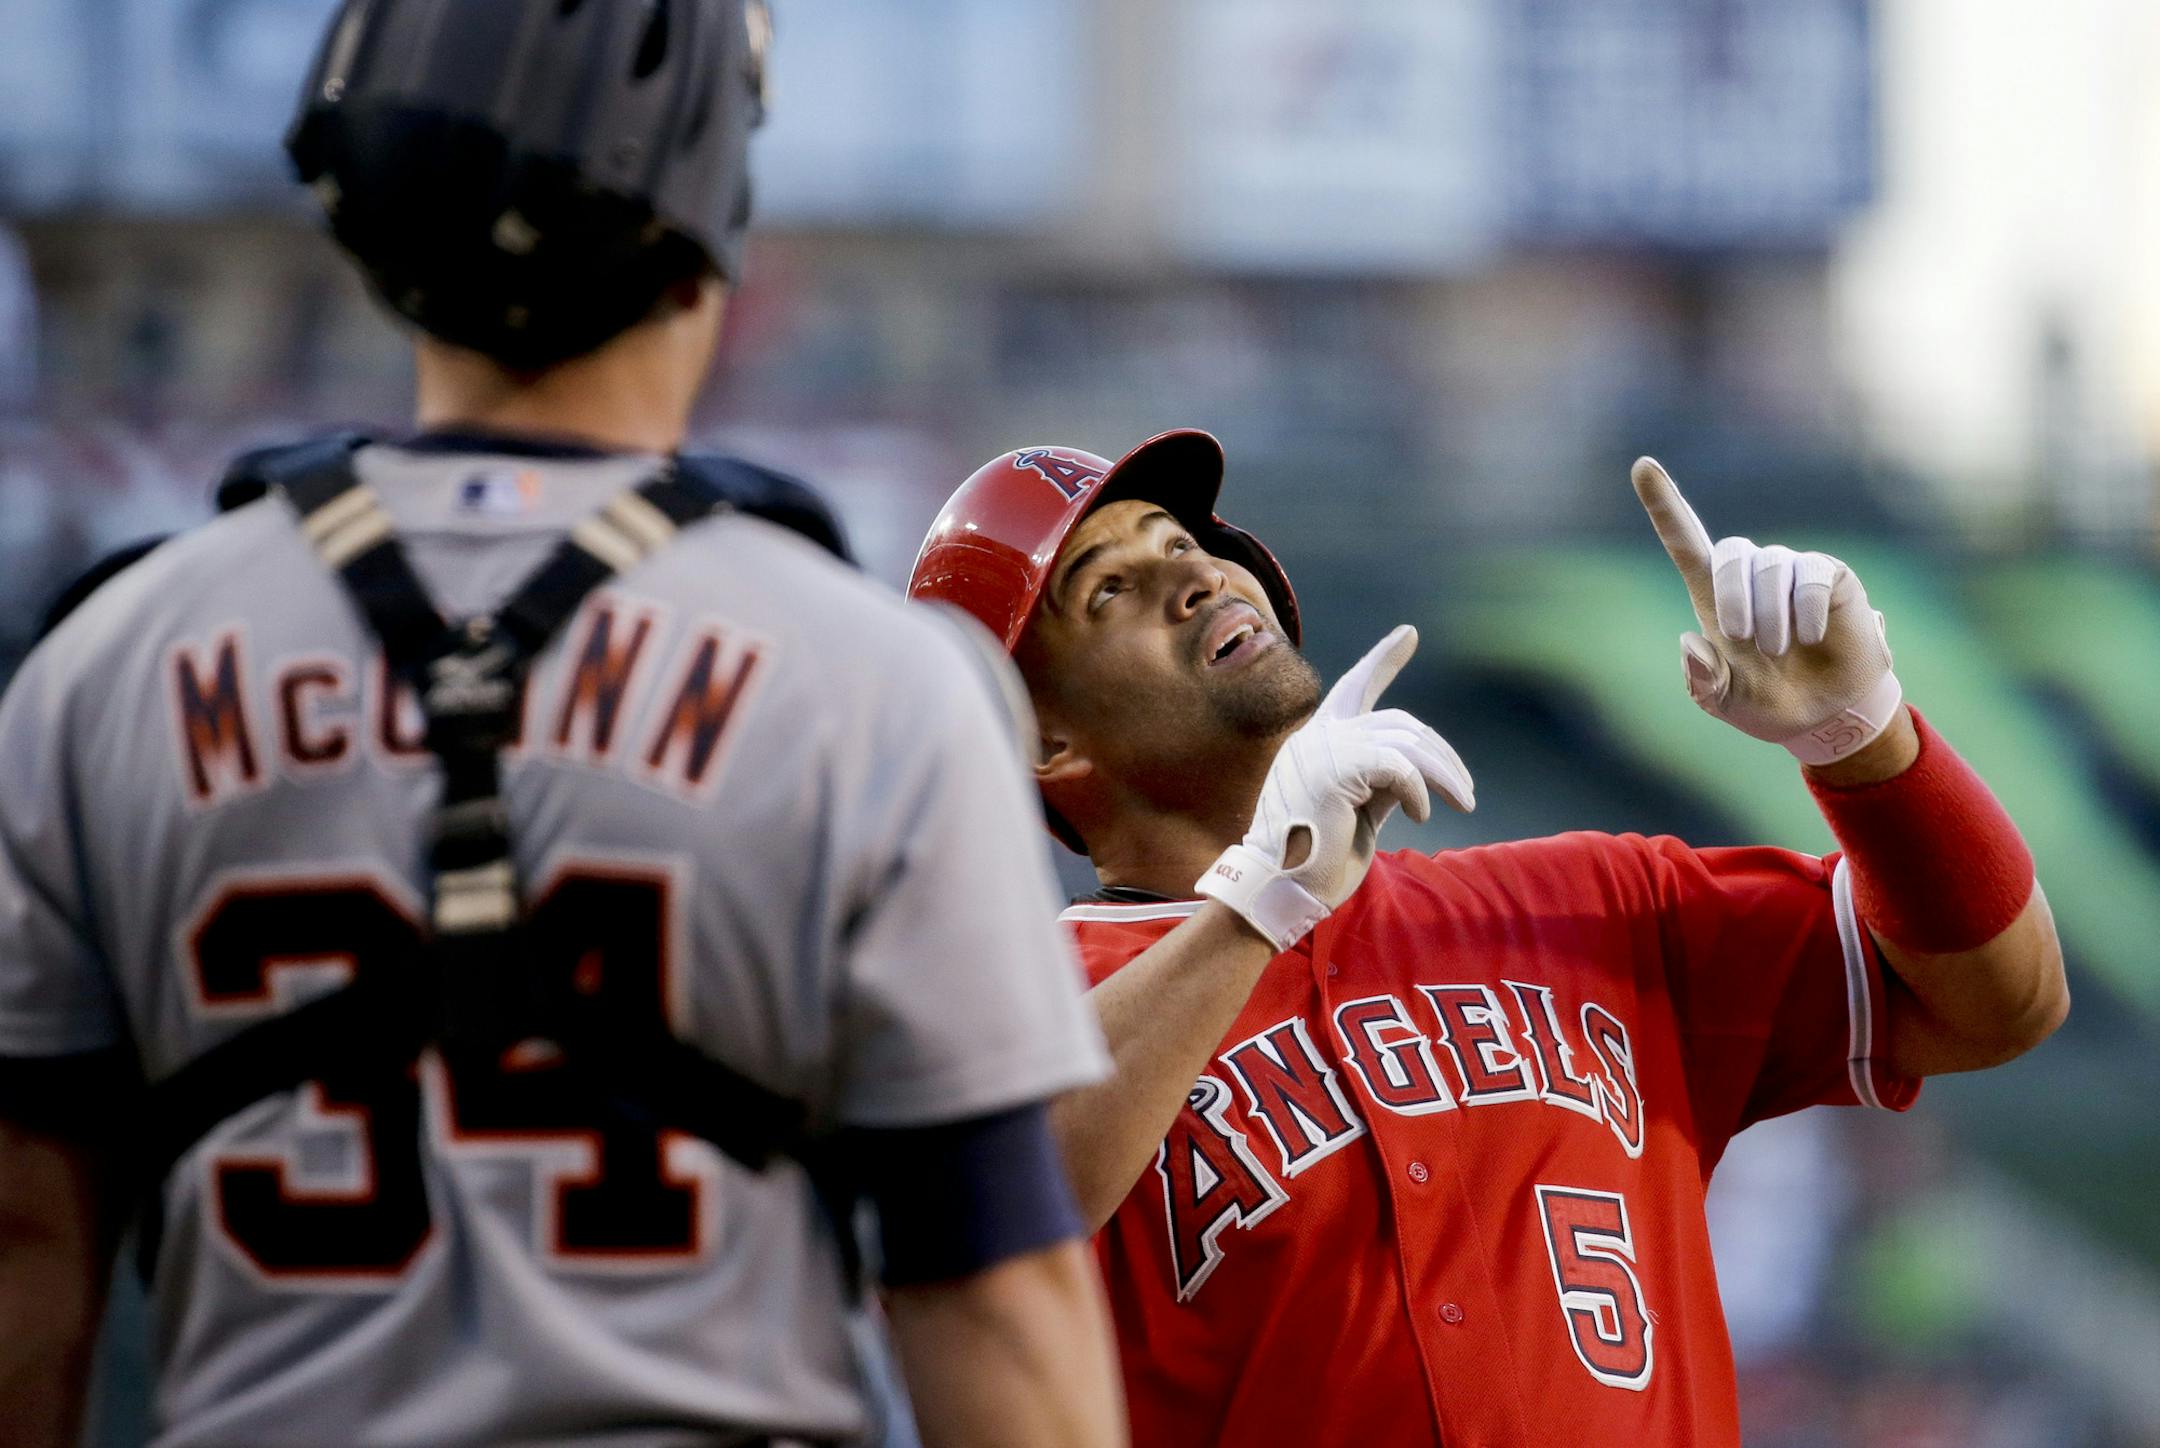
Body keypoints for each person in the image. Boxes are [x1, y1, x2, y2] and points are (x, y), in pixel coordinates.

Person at [0, 5, 1126, 1447]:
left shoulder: (106, 663)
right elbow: (995, 1293)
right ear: (705, 231)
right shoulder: (875, 681)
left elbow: (31, 1258)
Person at [906, 431, 2068, 1447]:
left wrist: (1864, 743)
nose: (1194, 577)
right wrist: (1258, 904)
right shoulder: (1009, 998)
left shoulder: (1594, 901)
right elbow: (973, 1198)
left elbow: (1999, 999)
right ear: (1045, 739)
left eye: (1182, 544)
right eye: (1108, 590)